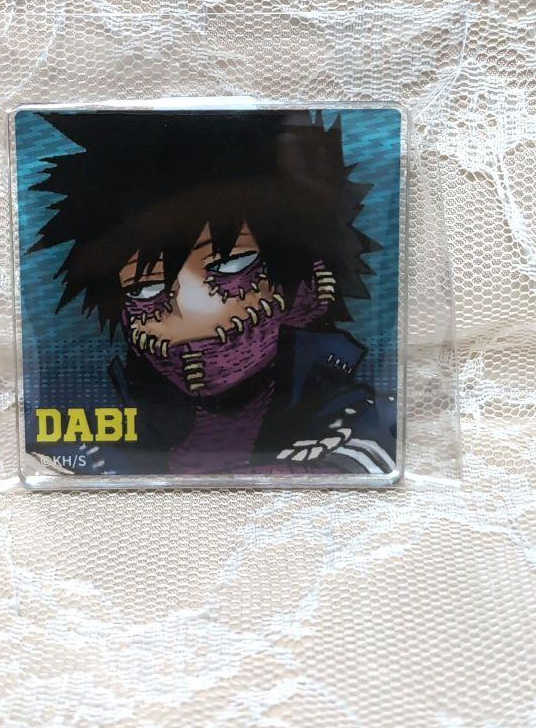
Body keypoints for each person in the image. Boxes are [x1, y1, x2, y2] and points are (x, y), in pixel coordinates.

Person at [29, 108, 395, 475]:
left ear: (308, 284)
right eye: (146, 288)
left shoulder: (362, 424)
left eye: (230, 265)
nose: (193, 310)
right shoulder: (82, 436)